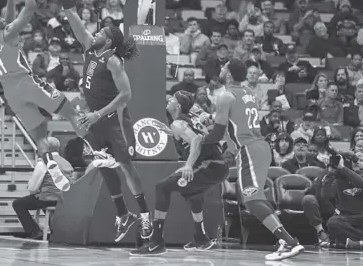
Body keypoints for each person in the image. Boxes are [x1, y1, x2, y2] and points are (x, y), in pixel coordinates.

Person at [52, 0, 152, 242]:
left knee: (125, 166)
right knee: (101, 163)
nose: (95, 32)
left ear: (108, 41)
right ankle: (123, 214)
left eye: (101, 32)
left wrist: (98, 114)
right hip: (94, 118)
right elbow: (71, 13)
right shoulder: (88, 49)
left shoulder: (113, 60)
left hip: (112, 119)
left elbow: (127, 95)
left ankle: (144, 216)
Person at [199, 58, 304, 261]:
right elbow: (233, 120)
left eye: (224, 67)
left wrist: (200, 139)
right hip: (259, 147)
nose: (221, 69)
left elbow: (219, 132)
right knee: (256, 199)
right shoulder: (248, 92)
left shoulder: (225, 96)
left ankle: (289, 241)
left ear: (228, 74)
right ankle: (287, 241)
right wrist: (210, 119)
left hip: (248, 150)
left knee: (251, 200)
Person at [0, 0, 88, 150]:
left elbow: (7, 26)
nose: (3, 18)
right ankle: (99, 151)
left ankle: (52, 169)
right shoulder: (7, 34)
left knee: (40, 135)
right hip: (26, 82)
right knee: (70, 113)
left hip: (10, 93)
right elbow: (30, 8)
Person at [129, 91, 229, 255]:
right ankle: (201, 238)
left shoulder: (178, 123)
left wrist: (188, 165)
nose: (168, 100)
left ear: (178, 105)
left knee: (162, 187)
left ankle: (156, 242)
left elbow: (196, 141)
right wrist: (171, 133)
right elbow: (196, 135)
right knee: (192, 193)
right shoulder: (188, 119)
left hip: (210, 165)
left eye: (172, 99)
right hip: (218, 166)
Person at [12, 137, 73, 240]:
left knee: (18, 204)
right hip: (63, 199)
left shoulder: (43, 163)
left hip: (48, 198)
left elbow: (32, 188)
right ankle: (55, 230)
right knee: (45, 200)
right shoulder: (67, 163)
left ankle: (35, 232)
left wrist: (36, 189)